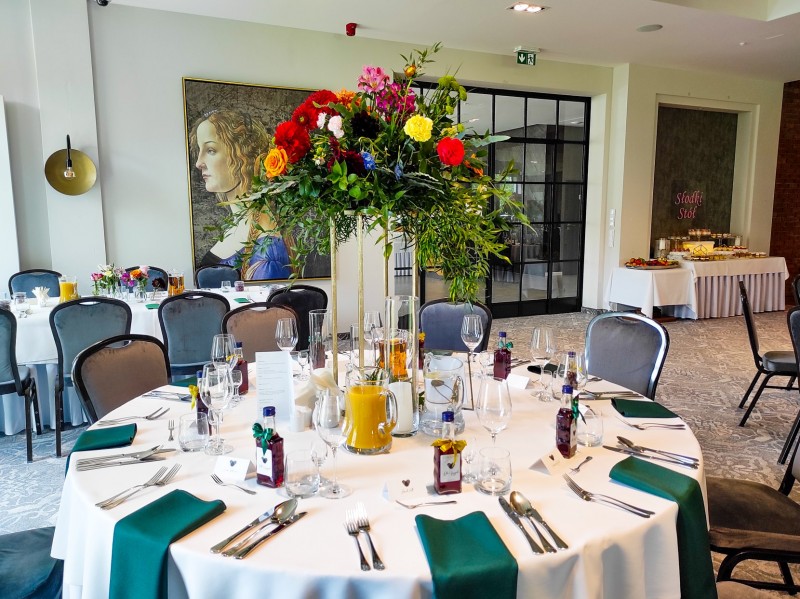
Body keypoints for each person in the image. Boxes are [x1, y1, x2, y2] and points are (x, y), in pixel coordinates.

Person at [190, 109, 293, 280]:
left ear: (242, 156)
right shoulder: (237, 225)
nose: (199, 163)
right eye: (200, 150)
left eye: (211, 150)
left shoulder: (267, 255)